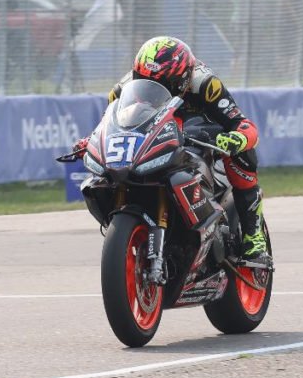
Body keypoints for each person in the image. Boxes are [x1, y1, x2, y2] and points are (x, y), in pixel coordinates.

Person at [76, 36, 271, 266]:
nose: (152, 88)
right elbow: (111, 124)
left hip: (199, 128)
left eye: (164, 84)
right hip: (154, 133)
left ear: (183, 79)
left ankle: (253, 235)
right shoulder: (122, 90)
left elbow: (243, 124)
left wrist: (237, 137)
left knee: (243, 153)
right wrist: (92, 140)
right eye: (145, 81)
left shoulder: (205, 84)